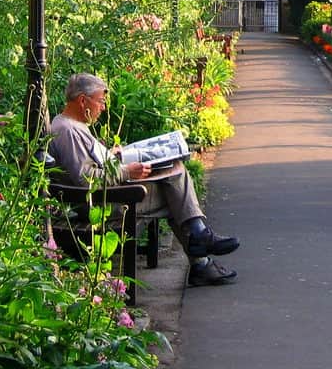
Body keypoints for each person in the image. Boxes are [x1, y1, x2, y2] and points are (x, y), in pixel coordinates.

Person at [48, 72, 238, 286]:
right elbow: (87, 179)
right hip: (100, 205)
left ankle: (200, 249)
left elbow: (89, 163)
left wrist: (113, 155)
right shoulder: (67, 131)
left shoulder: (71, 125)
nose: (103, 108)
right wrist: (128, 172)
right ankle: (200, 248)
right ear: (83, 100)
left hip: (105, 196)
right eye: (100, 101)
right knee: (174, 189)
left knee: (174, 170)